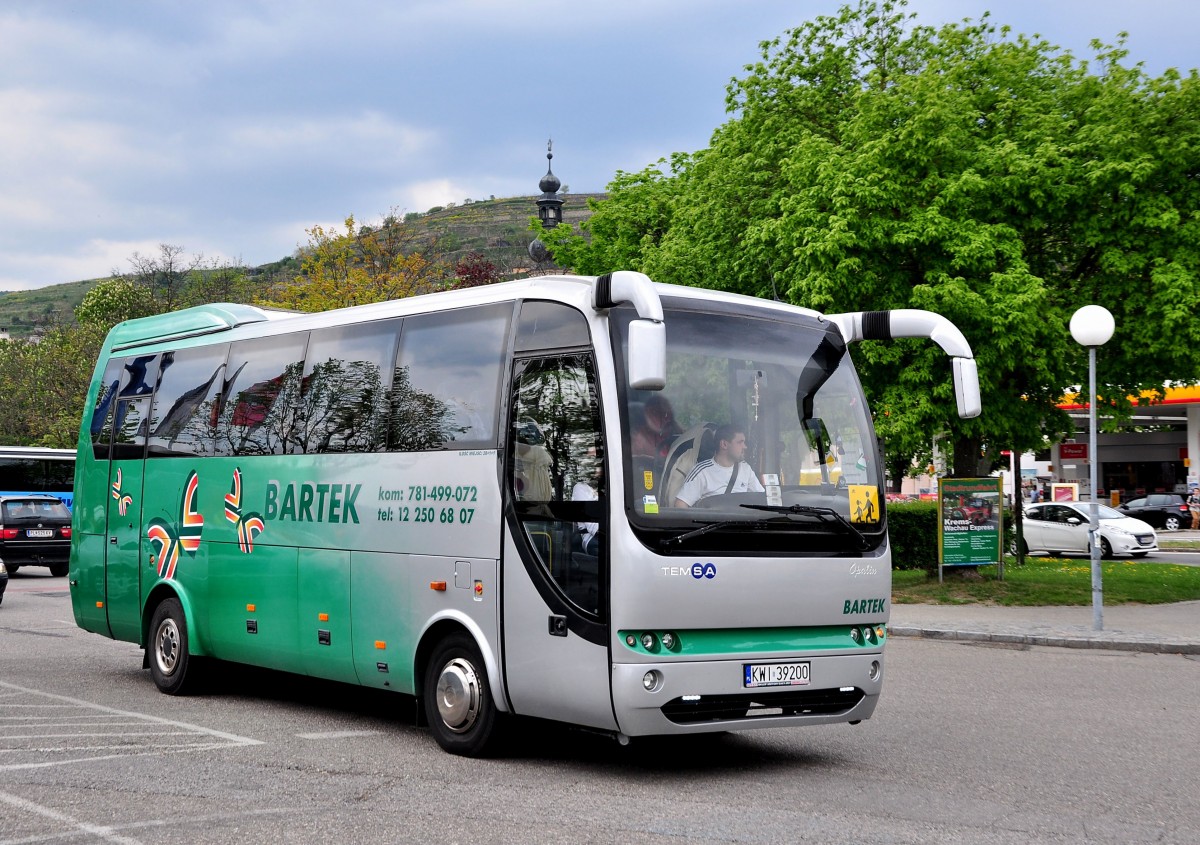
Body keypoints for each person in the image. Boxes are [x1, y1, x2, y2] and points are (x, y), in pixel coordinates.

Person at [674, 424, 765, 507]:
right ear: (724, 444)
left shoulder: (745, 469)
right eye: (740, 442)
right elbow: (680, 505)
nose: (745, 447)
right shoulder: (702, 471)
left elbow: (761, 498)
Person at [631, 395, 681, 461]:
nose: (665, 418)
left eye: (666, 413)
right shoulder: (640, 438)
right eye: (658, 413)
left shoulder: (679, 433)